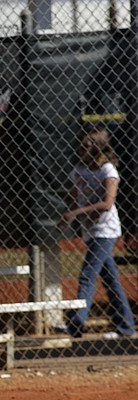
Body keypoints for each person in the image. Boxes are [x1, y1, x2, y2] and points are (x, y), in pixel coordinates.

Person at [54, 127, 135, 339]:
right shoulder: (78, 171)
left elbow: (108, 204)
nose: (82, 149)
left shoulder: (107, 170)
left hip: (105, 230)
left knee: (87, 275)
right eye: (81, 145)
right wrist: (69, 210)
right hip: (89, 231)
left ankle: (76, 324)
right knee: (110, 279)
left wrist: (77, 212)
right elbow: (72, 197)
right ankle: (126, 326)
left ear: (98, 148)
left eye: (87, 146)